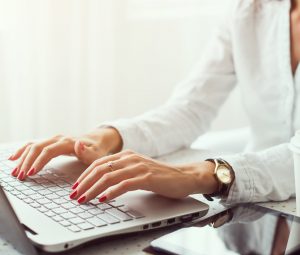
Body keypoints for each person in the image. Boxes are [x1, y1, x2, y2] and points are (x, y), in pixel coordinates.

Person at [7, 0, 299, 205]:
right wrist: (107, 138)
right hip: (256, 213)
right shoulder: (249, 8)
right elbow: (191, 108)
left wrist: (200, 174)